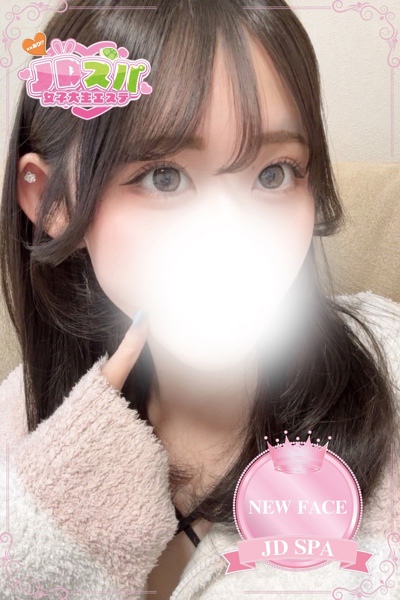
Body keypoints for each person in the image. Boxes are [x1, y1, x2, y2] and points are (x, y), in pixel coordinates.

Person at [0, 0, 399, 598]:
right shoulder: (19, 430)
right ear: (52, 201)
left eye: (273, 173)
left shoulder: (389, 373)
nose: (231, 236)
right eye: (163, 176)